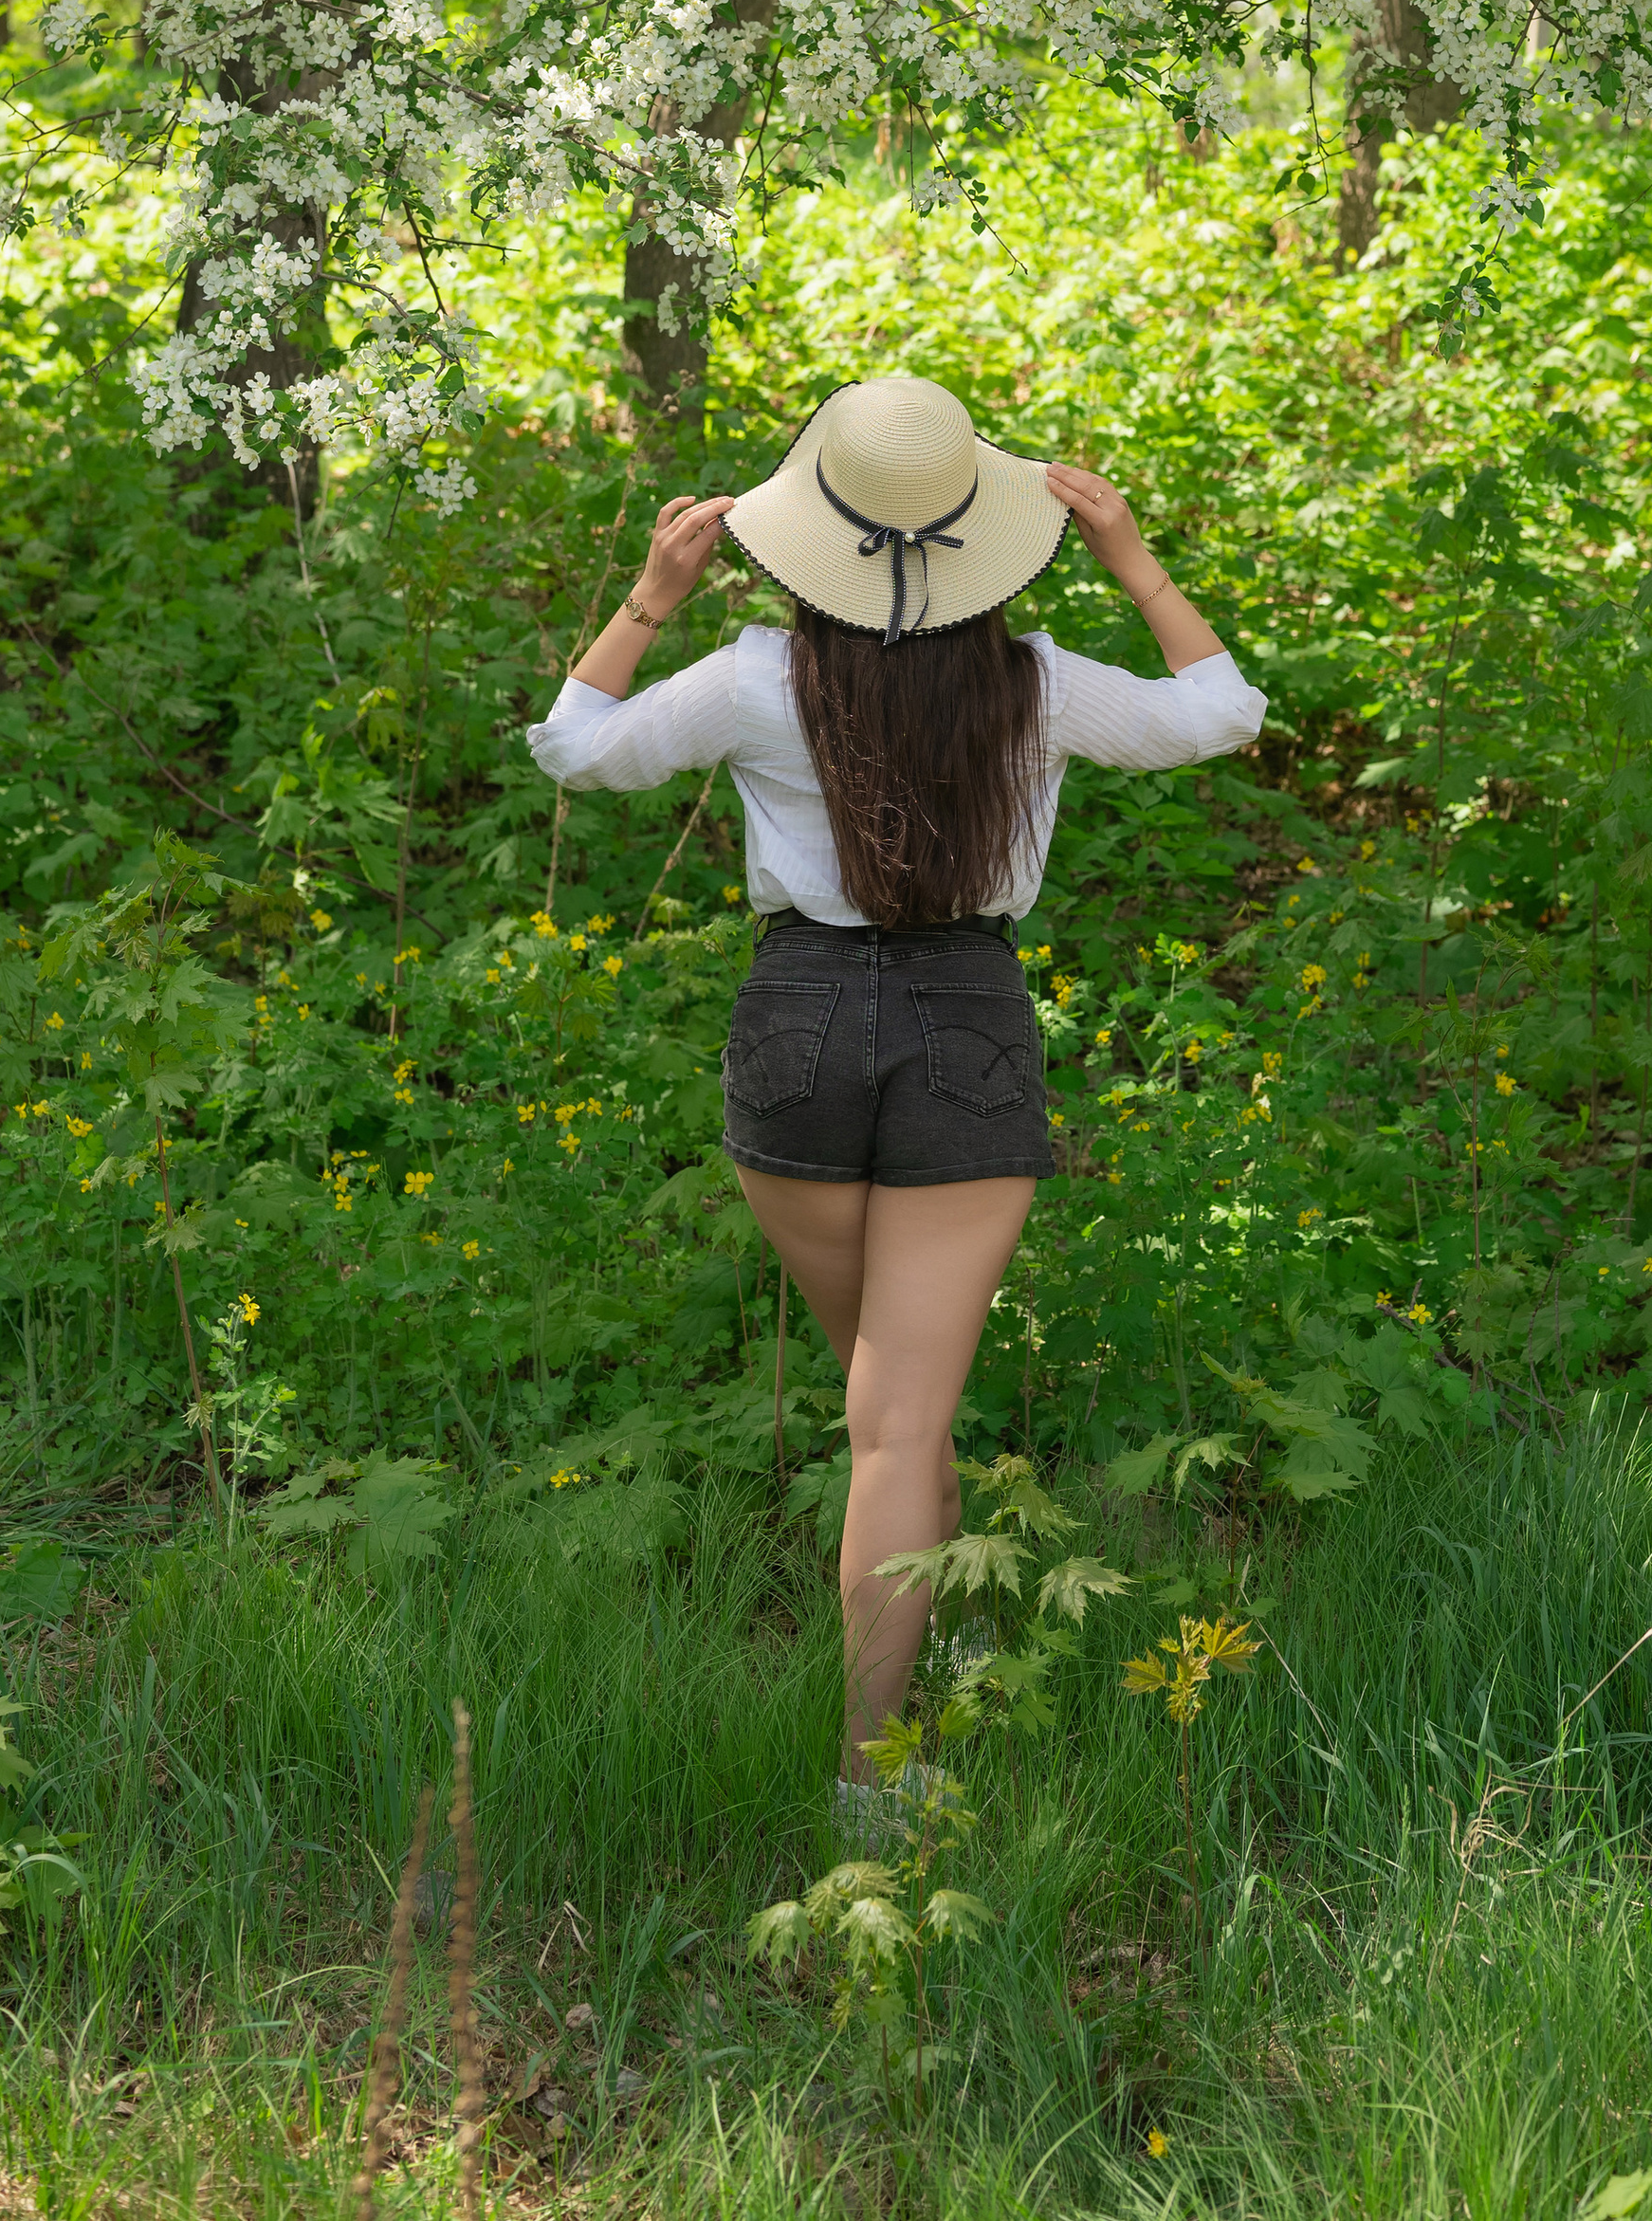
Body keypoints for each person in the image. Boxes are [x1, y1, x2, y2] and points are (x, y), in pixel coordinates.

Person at [524, 372, 1265, 1825]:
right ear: (981, 534)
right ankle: (875, 1772)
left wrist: (649, 597)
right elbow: (1225, 712)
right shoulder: (1036, 682)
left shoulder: (750, 677)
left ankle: (928, 1644)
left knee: (885, 1403)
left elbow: (573, 749)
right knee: (901, 1418)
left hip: (796, 1022)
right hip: (965, 1024)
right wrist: (1132, 557)